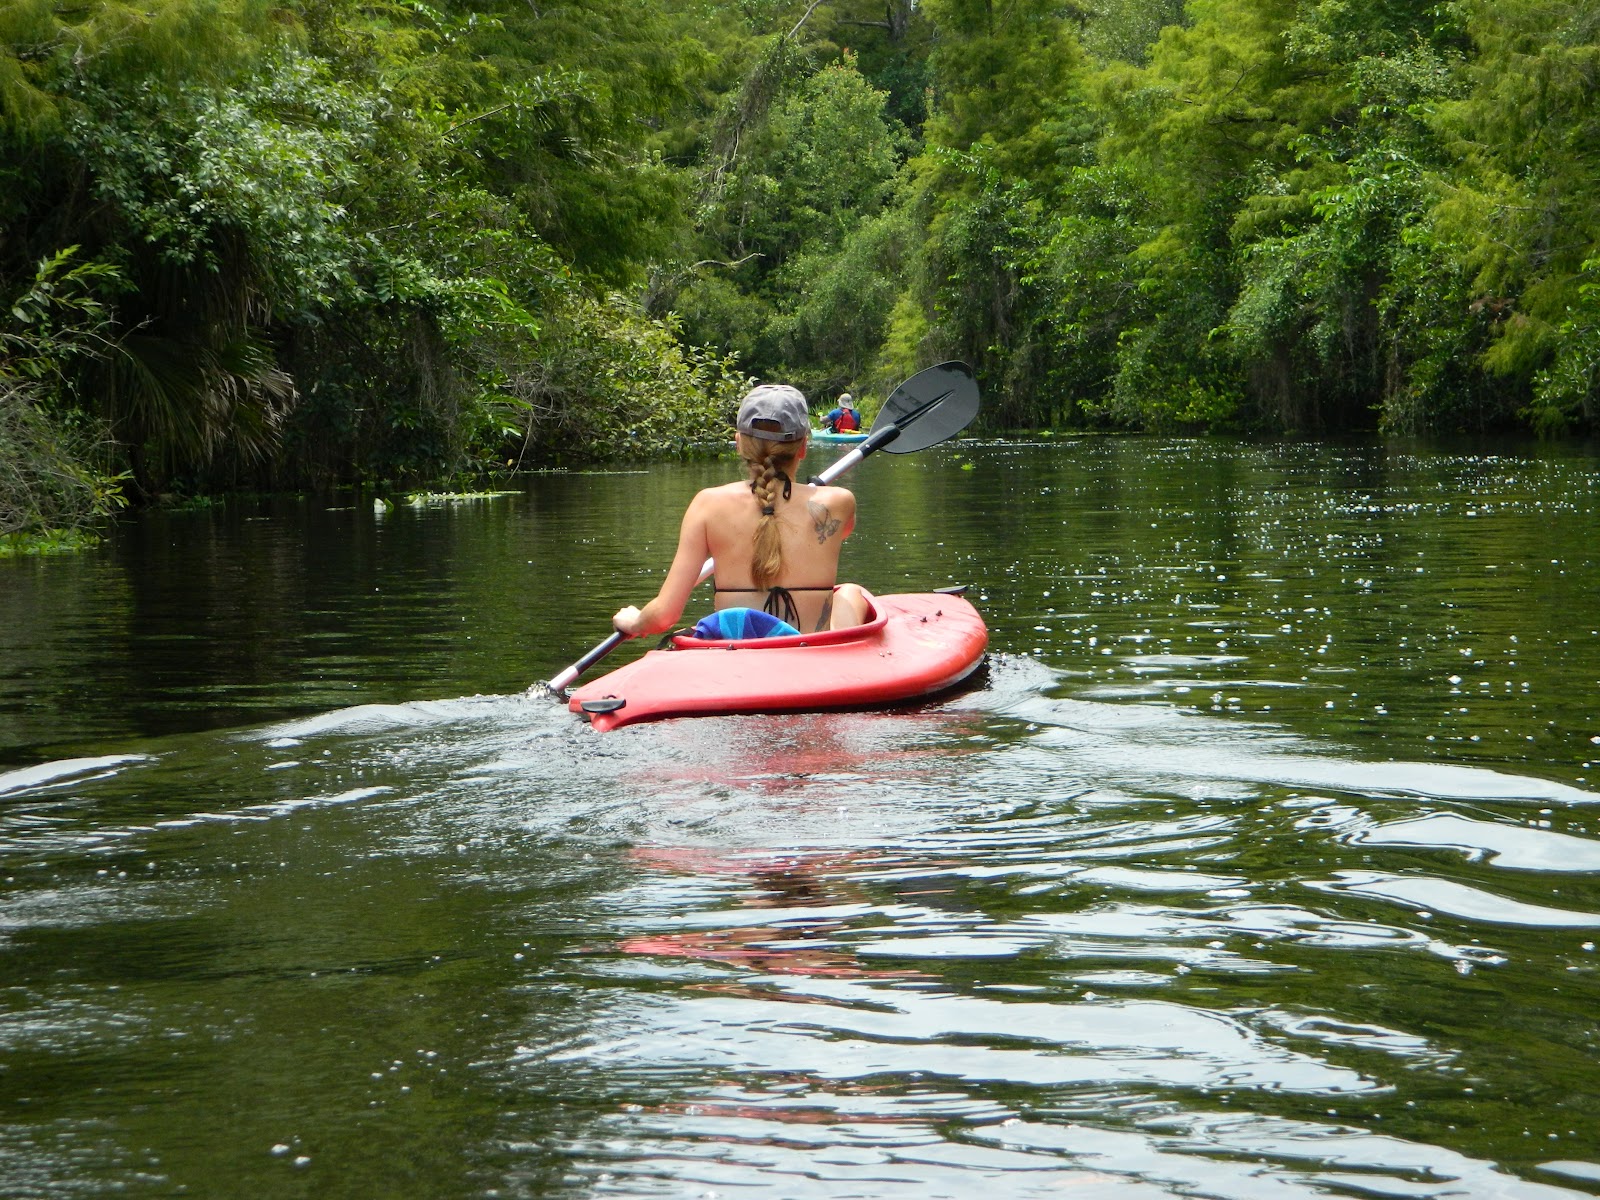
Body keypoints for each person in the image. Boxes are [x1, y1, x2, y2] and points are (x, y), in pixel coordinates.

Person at [612, 384, 870, 638]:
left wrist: (636, 621)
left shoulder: (707, 504)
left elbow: (664, 616)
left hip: (737, 653)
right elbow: (841, 532)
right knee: (849, 593)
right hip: (810, 652)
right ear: (803, 447)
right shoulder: (839, 502)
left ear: (739, 444)